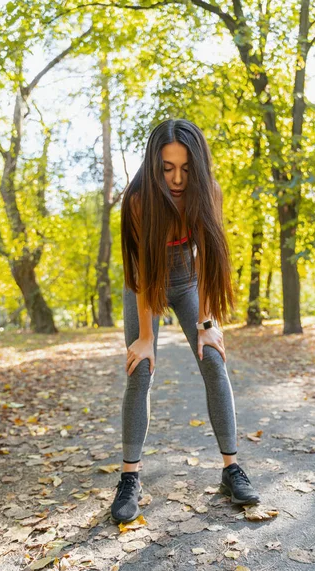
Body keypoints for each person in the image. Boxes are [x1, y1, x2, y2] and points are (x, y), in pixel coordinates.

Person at [110, 119, 260, 524]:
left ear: (197, 165)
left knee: (213, 359)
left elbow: (210, 257)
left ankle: (231, 469)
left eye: (185, 168)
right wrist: (145, 337)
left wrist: (208, 322)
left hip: (190, 282)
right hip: (146, 284)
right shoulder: (140, 200)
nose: (176, 178)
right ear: (154, 165)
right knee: (139, 370)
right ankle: (129, 478)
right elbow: (141, 273)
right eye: (167, 168)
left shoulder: (209, 193)